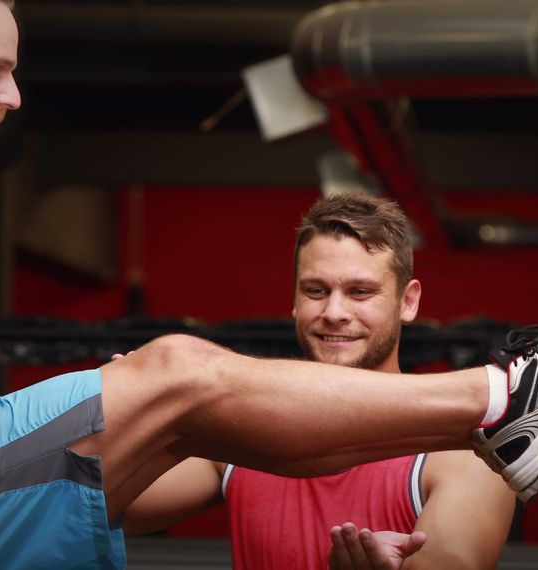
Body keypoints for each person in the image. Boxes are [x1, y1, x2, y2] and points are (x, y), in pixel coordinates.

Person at [0, 1, 538, 568]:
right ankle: (503, 394)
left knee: (173, 392)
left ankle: (498, 411)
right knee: (178, 371)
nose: (15, 94)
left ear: (407, 299)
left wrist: (122, 410)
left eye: (13, 70)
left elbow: (222, 447)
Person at [123, 194, 516, 569]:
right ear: (294, 298)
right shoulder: (241, 430)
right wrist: (137, 418)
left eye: (360, 292)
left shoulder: (463, 453)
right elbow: (118, 508)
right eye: (316, 290)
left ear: (407, 301)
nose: (334, 312)